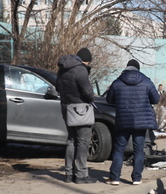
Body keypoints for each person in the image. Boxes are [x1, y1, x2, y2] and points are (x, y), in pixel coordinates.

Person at [104, 59, 159, 186]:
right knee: (139, 150)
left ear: (126, 68)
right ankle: (136, 178)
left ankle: (114, 177)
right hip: (141, 122)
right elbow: (156, 99)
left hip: (123, 120)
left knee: (119, 149)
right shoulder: (146, 82)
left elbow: (109, 100)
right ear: (138, 69)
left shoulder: (117, 82)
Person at [56, 47, 96, 184]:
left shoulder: (62, 69)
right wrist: (92, 97)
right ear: (86, 61)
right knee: (83, 142)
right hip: (80, 110)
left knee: (71, 141)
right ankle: (81, 175)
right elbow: (88, 92)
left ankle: (68, 174)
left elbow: (57, 87)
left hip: (66, 107)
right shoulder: (81, 70)